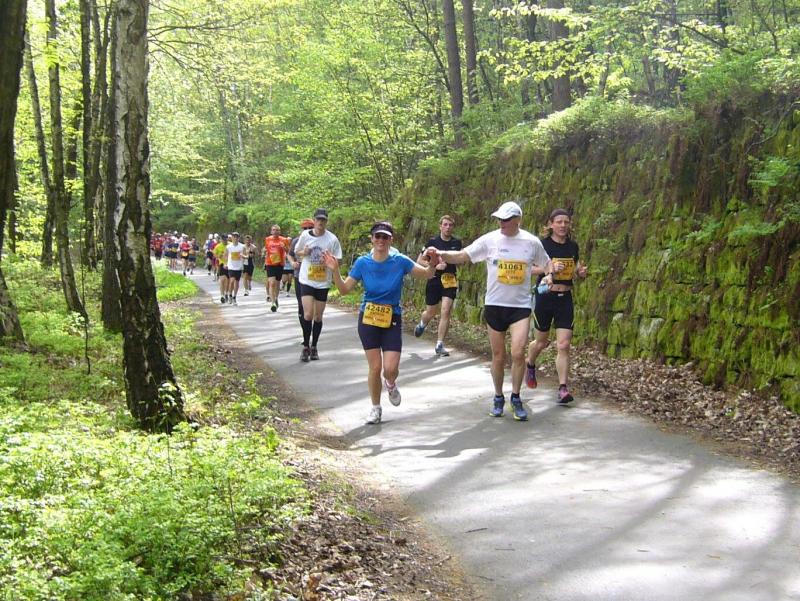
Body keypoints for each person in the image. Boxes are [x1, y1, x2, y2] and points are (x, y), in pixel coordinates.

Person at [432, 200, 551, 421]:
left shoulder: (531, 242)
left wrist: (549, 276)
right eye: (499, 219)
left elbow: (547, 264)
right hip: (495, 305)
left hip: (520, 306)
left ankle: (516, 397)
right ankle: (498, 396)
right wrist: (440, 253)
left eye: (506, 219)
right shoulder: (490, 239)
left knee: (518, 353)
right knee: (498, 356)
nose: (501, 223)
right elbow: (463, 256)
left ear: (518, 220)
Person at [323, 221, 438, 424]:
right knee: (375, 368)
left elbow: (427, 274)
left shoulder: (400, 261)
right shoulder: (362, 263)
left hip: (392, 317)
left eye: (385, 237)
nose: (381, 240)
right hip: (368, 318)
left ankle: (391, 383)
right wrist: (335, 270)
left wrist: (433, 263)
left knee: (390, 369)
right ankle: (375, 408)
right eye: (377, 236)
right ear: (372, 239)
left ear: (391, 240)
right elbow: (344, 289)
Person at [526, 208, 588, 404]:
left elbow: (574, 270)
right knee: (541, 342)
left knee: (564, 344)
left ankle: (562, 388)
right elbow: (528, 269)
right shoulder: (541, 245)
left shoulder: (573, 246)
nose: (563, 225)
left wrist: (580, 273)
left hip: (565, 298)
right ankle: (530, 363)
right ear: (551, 224)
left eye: (566, 222)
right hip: (545, 297)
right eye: (559, 222)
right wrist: (549, 268)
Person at [294, 209, 342, 362]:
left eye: (323, 220)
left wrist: (329, 260)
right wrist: (304, 252)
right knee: (308, 315)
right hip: (306, 279)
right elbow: (297, 252)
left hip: (323, 282)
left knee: (318, 316)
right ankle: (305, 346)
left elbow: (338, 259)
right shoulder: (305, 235)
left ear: (326, 222)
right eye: (318, 220)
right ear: (314, 220)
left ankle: (314, 346)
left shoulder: (332, 239)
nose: (321, 222)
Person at [414, 215, 462, 357]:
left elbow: (460, 259)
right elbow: (419, 260)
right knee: (431, 312)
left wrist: (458, 261)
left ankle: (439, 344)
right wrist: (434, 265)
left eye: (450, 225)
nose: (448, 227)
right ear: (440, 226)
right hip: (434, 279)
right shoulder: (432, 242)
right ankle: (422, 323)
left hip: (450, 280)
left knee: (446, 311)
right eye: (445, 224)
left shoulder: (456, 243)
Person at [289, 219, 315, 331]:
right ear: (301, 229)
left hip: (314, 276)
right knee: (301, 304)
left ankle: (312, 327)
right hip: (299, 275)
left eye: (310, 228)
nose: (307, 230)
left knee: (313, 305)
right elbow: (290, 254)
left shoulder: (319, 240)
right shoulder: (296, 241)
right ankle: (305, 331)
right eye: (305, 228)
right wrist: (292, 263)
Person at [263, 224, 291, 312]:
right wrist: (264, 251)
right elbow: (266, 249)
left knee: (277, 283)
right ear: (271, 231)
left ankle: (276, 298)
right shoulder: (267, 239)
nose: (275, 231)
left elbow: (289, 251)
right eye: (274, 230)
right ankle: (273, 303)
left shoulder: (284, 240)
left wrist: (284, 247)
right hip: (270, 263)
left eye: (277, 230)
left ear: (280, 231)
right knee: (272, 283)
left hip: (280, 264)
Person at [225, 232, 245, 305]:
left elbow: (245, 255)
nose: (235, 238)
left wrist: (243, 256)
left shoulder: (242, 246)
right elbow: (225, 255)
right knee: (232, 281)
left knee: (237, 282)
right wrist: (225, 263)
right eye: (234, 237)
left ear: (238, 238)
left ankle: (234, 297)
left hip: (239, 267)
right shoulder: (228, 247)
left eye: (237, 237)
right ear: (232, 238)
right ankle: (230, 294)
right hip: (231, 266)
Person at [213, 234, 228, 303]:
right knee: (222, 280)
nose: (225, 240)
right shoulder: (218, 246)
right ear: (221, 239)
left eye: (226, 239)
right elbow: (214, 255)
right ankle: (222, 295)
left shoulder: (230, 245)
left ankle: (226, 293)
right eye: (223, 239)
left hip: (230, 265)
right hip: (222, 264)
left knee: (228, 281)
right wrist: (219, 256)